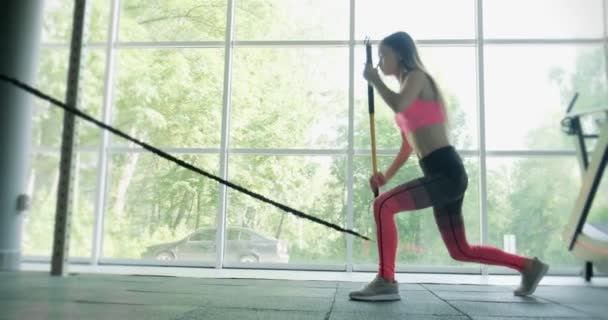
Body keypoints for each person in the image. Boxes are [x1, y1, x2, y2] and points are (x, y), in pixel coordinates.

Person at [349, 31, 549, 301]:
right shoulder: (406, 91)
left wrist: (374, 82)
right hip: (439, 173)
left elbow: (398, 103)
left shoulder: (416, 77)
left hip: (447, 170)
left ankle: (386, 280)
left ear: (400, 53)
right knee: (460, 250)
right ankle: (529, 266)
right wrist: (385, 176)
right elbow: (409, 147)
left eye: (384, 55)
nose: (379, 62)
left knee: (383, 205)